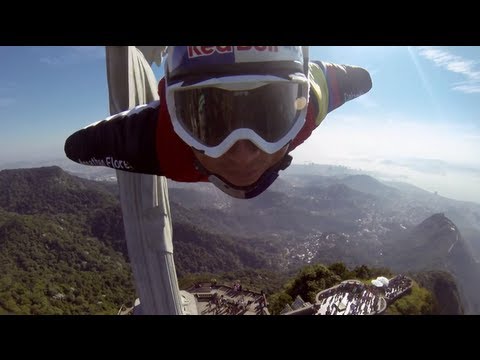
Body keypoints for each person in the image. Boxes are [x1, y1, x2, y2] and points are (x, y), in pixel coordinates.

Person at [64, 46, 372, 199]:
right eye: (209, 116)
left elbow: (79, 146)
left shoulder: (158, 145)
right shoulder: (310, 107)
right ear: (174, 115)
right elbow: (343, 80)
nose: (242, 153)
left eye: (270, 112)